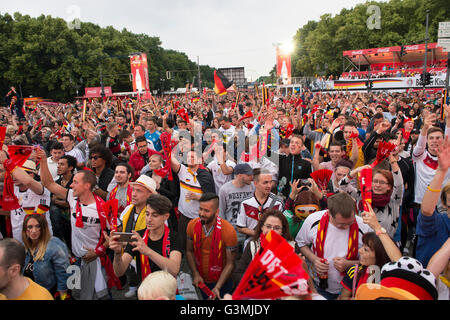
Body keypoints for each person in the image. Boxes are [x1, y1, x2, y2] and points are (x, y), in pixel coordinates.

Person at [36, 147, 121, 300]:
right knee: (75, 293)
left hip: (95, 260)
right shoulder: (71, 197)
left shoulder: (103, 208)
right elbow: (48, 183)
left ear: (87, 185)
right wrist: (43, 160)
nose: (71, 185)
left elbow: (114, 234)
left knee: (102, 296)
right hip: (75, 259)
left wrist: (97, 251)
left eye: (75, 182)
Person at [296, 192, 372, 300]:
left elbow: (373, 259)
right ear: (329, 213)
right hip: (319, 285)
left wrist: (349, 264)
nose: (346, 227)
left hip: (350, 289)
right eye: (340, 224)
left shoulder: (364, 226)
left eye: (349, 223)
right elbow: (301, 243)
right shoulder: (313, 220)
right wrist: (315, 259)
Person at [108, 194, 182, 285]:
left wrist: (147, 251)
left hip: (167, 291)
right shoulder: (138, 236)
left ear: (166, 216)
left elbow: (174, 269)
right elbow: (119, 272)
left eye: (155, 215)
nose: (149, 219)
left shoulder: (174, 237)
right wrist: (118, 253)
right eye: (147, 214)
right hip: (145, 291)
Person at [338, 202, 402, 299]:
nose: (359, 251)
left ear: (380, 255)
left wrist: (377, 227)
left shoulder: (389, 277)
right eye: (362, 246)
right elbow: (343, 297)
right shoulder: (354, 271)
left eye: (366, 249)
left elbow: (399, 262)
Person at [186, 193, 238, 299]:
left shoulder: (228, 231)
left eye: (206, 211)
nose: (201, 213)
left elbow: (230, 263)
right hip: (201, 279)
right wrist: (195, 274)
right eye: (200, 209)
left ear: (217, 212)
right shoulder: (192, 225)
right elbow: (189, 251)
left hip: (222, 282)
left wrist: (218, 287)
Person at [117, 174, 157, 298]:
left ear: (150, 194)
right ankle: (133, 287)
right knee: (132, 272)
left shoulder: (156, 214)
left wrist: (123, 241)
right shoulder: (128, 209)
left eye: (139, 191)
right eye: (133, 190)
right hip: (129, 255)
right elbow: (120, 226)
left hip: (149, 259)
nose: (133, 194)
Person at [171, 149, 216, 254]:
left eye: (193, 157)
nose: (190, 159)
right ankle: (182, 264)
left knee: (199, 244)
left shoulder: (205, 176)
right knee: (182, 242)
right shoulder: (183, 171)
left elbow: (212, 198)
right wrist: (169, 147)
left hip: (200, 218)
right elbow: (171, 160)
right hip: (184, 216)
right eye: (188, 157)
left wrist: (198, 197)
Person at [233, 209, 293, 286]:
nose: (272, 231)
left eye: (277, 228)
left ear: (282, 230)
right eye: (268, 226)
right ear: (262, 227)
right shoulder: (253, 246)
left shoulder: (292, 246)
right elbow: (238, 274)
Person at [0, 156, 53, 243]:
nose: (13, 177)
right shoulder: (14, 188)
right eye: (13, 174)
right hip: (19, 240)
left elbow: (28, 182)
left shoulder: (41, 189)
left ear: (31, 175)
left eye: (17, 175)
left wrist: (6, 160)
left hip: (40, 242)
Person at [416, 135, 450, 267]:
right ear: (446, 203)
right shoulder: (437, 223)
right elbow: (426, 211)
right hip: (430, 283)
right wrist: (441, 171)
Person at [22, 214, 71, 299]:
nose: (34, 230)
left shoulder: (54, 245)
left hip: (48, 294)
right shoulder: (24, 246)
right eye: (30, 227)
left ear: (44, 228)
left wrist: (63, 297)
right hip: (29, 294)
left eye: (38, 226)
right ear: (25, 230)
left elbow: (63, 273)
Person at [236, 168, 284, 249]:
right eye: (265, 183)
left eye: (270, 182)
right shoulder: (245, 203)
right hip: (251, 246)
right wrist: (258, 234)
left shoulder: (278, 202)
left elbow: (283, 226)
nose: (269, 186)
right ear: (255, 183)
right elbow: (240, 227)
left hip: (272, 245)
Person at [218, 163, 255, 251]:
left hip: (248, 230)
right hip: (232, 230)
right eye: (248, 175)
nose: (252, 177)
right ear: (239, 175)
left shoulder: (252, 187)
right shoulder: (225, 189)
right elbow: (221, 212)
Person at [50, 155, 77, 252]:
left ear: (70, 167)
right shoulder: (57, 182)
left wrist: (56, 200)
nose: (58, 166)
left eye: (62, 164)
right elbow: (52, 198)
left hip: (73, 222)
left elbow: (70, 203)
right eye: (58, 164)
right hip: (59, 223)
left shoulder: (76, 182)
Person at [278, 134, 313, 199]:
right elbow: (262, 153)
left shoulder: (306, 164)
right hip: (282, 198)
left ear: (301, 147)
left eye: (297, 143)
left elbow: (309, 183)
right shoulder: (281, 159)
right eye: (292, 142)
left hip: (299, 198)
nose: (293, 144)